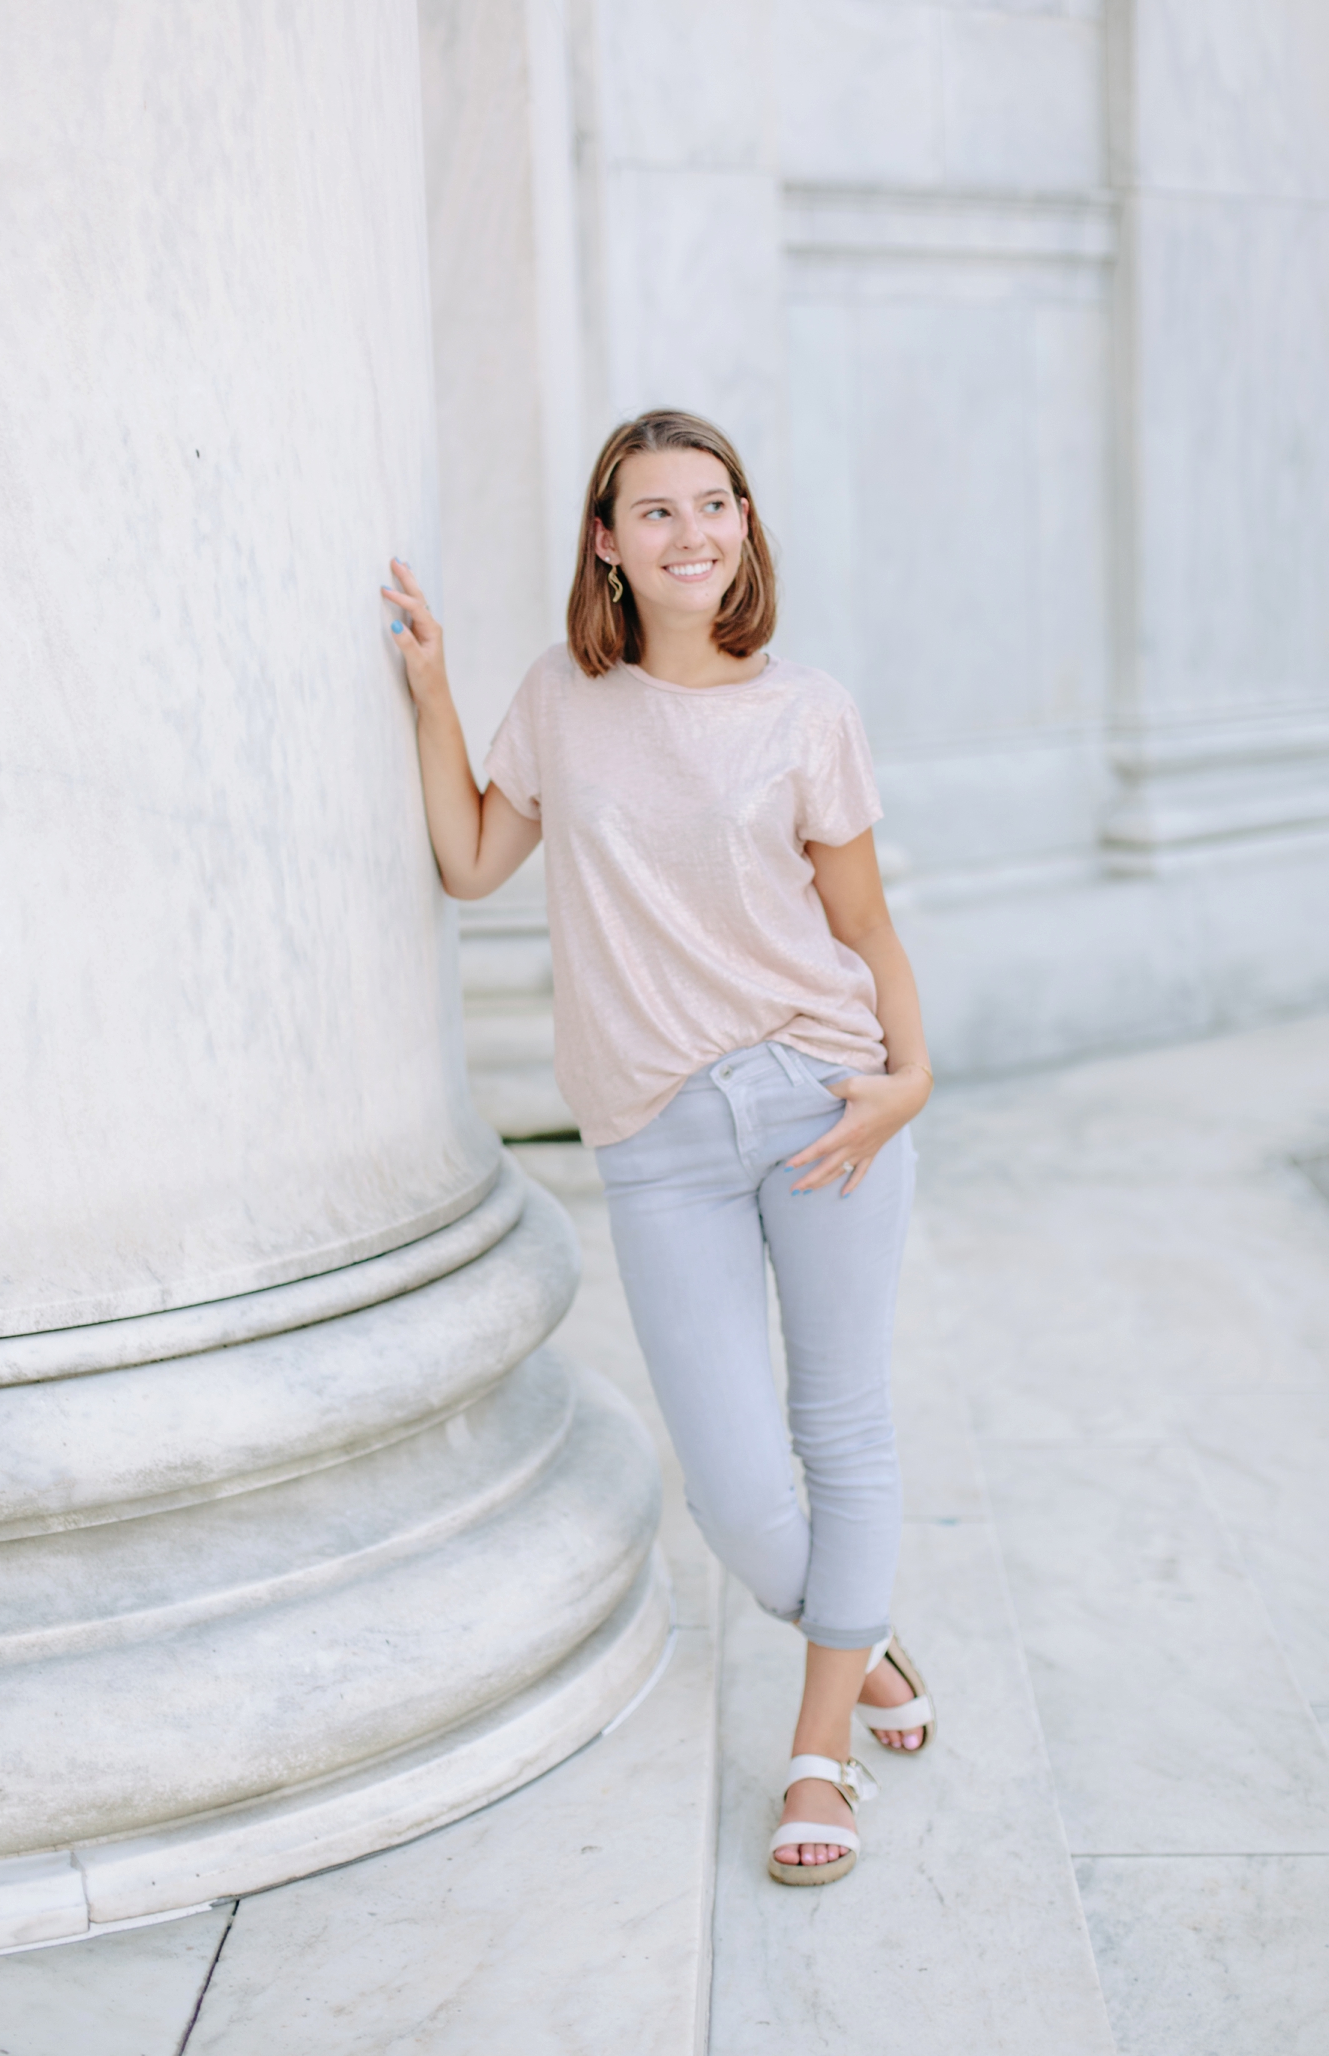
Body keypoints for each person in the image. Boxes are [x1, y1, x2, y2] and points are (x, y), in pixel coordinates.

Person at [385, 407, 936, 1887]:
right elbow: (471, 860)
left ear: (744, 527)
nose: (696, 534)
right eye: (660, 512)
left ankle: (816, 1754)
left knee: (844, 1425)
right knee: (740, 1493)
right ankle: (860, 1634)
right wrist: (432, 691)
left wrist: (912, 1075)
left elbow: (865, 925)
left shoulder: (807, 710)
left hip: (827, 1101)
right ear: (607, 541)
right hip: (655, 1133)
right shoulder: (562, 697)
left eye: (719, 505)